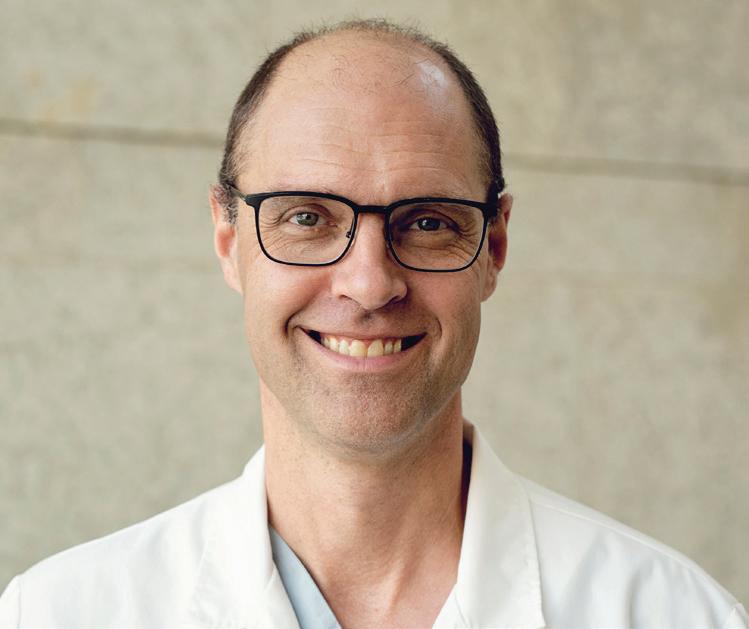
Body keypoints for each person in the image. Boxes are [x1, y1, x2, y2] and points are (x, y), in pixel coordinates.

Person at [0, 18, 746, 629]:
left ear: (494, 247)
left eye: (427, 222)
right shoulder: (59, 613)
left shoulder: (677, 616)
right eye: (305, 217)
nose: (368, 284)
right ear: (228, 240)